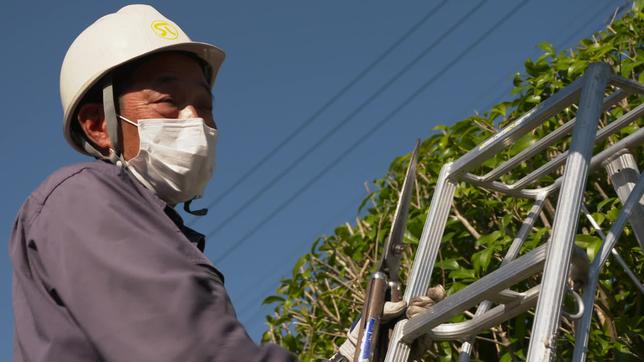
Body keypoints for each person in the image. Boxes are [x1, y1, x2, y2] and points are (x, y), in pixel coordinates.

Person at [10, 4, 440, 361]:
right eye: (169, 102)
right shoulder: (82, 198)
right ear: (99, 125)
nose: (193, 120)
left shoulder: (152, 225)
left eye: (204, 105)